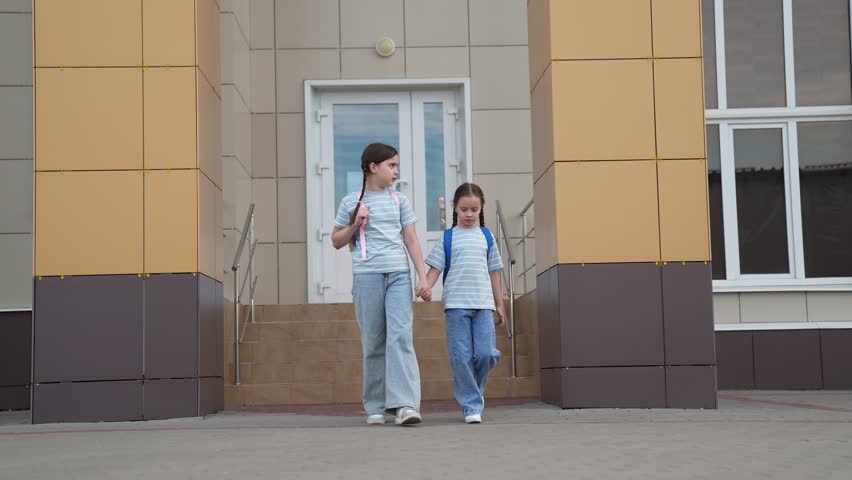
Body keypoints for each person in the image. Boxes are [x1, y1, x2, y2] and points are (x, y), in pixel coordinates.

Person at [330, 142, 429, 426]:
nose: (396, 171)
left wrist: (422, 277)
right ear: (373, 167)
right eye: (392, 165)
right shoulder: (351, 202)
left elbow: (411, 239)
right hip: (367, 277)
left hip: (398, 275)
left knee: (400, 337)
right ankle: (375, 405)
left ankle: (405, 405)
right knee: (373, 341)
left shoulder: (400, 200)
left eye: (396, 165)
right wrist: (354, 224)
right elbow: (336, 240)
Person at [421, 183, 504, 424]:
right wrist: (425, 286)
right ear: (455, 209)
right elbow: (435, 269)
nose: (469, 214)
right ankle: (471, 405)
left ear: (481, 209)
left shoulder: (487, 237)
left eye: (474, 209)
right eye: (464, 209)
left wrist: (500, 305)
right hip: (456, 305)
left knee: (486, 353)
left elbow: (495, 273)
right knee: (461, 356)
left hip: (484, 305)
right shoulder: (448, 238)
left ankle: (473, 394)